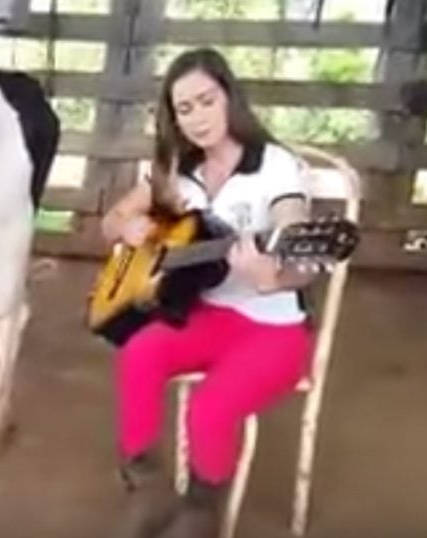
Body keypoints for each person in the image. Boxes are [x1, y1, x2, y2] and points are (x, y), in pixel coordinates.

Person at [101, 47, 316, 538]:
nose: (198, 117)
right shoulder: (179, 171)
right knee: (138, 354)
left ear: (229, 98)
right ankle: (146, 487)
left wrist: (276, 274)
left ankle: (201, 512)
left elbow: (298, 240)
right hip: (204, 314)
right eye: (185, 109)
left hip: (273, 330)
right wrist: (127, 227)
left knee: (211, 406)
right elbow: (111, 224)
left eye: (207, 100)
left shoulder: (275, 166)